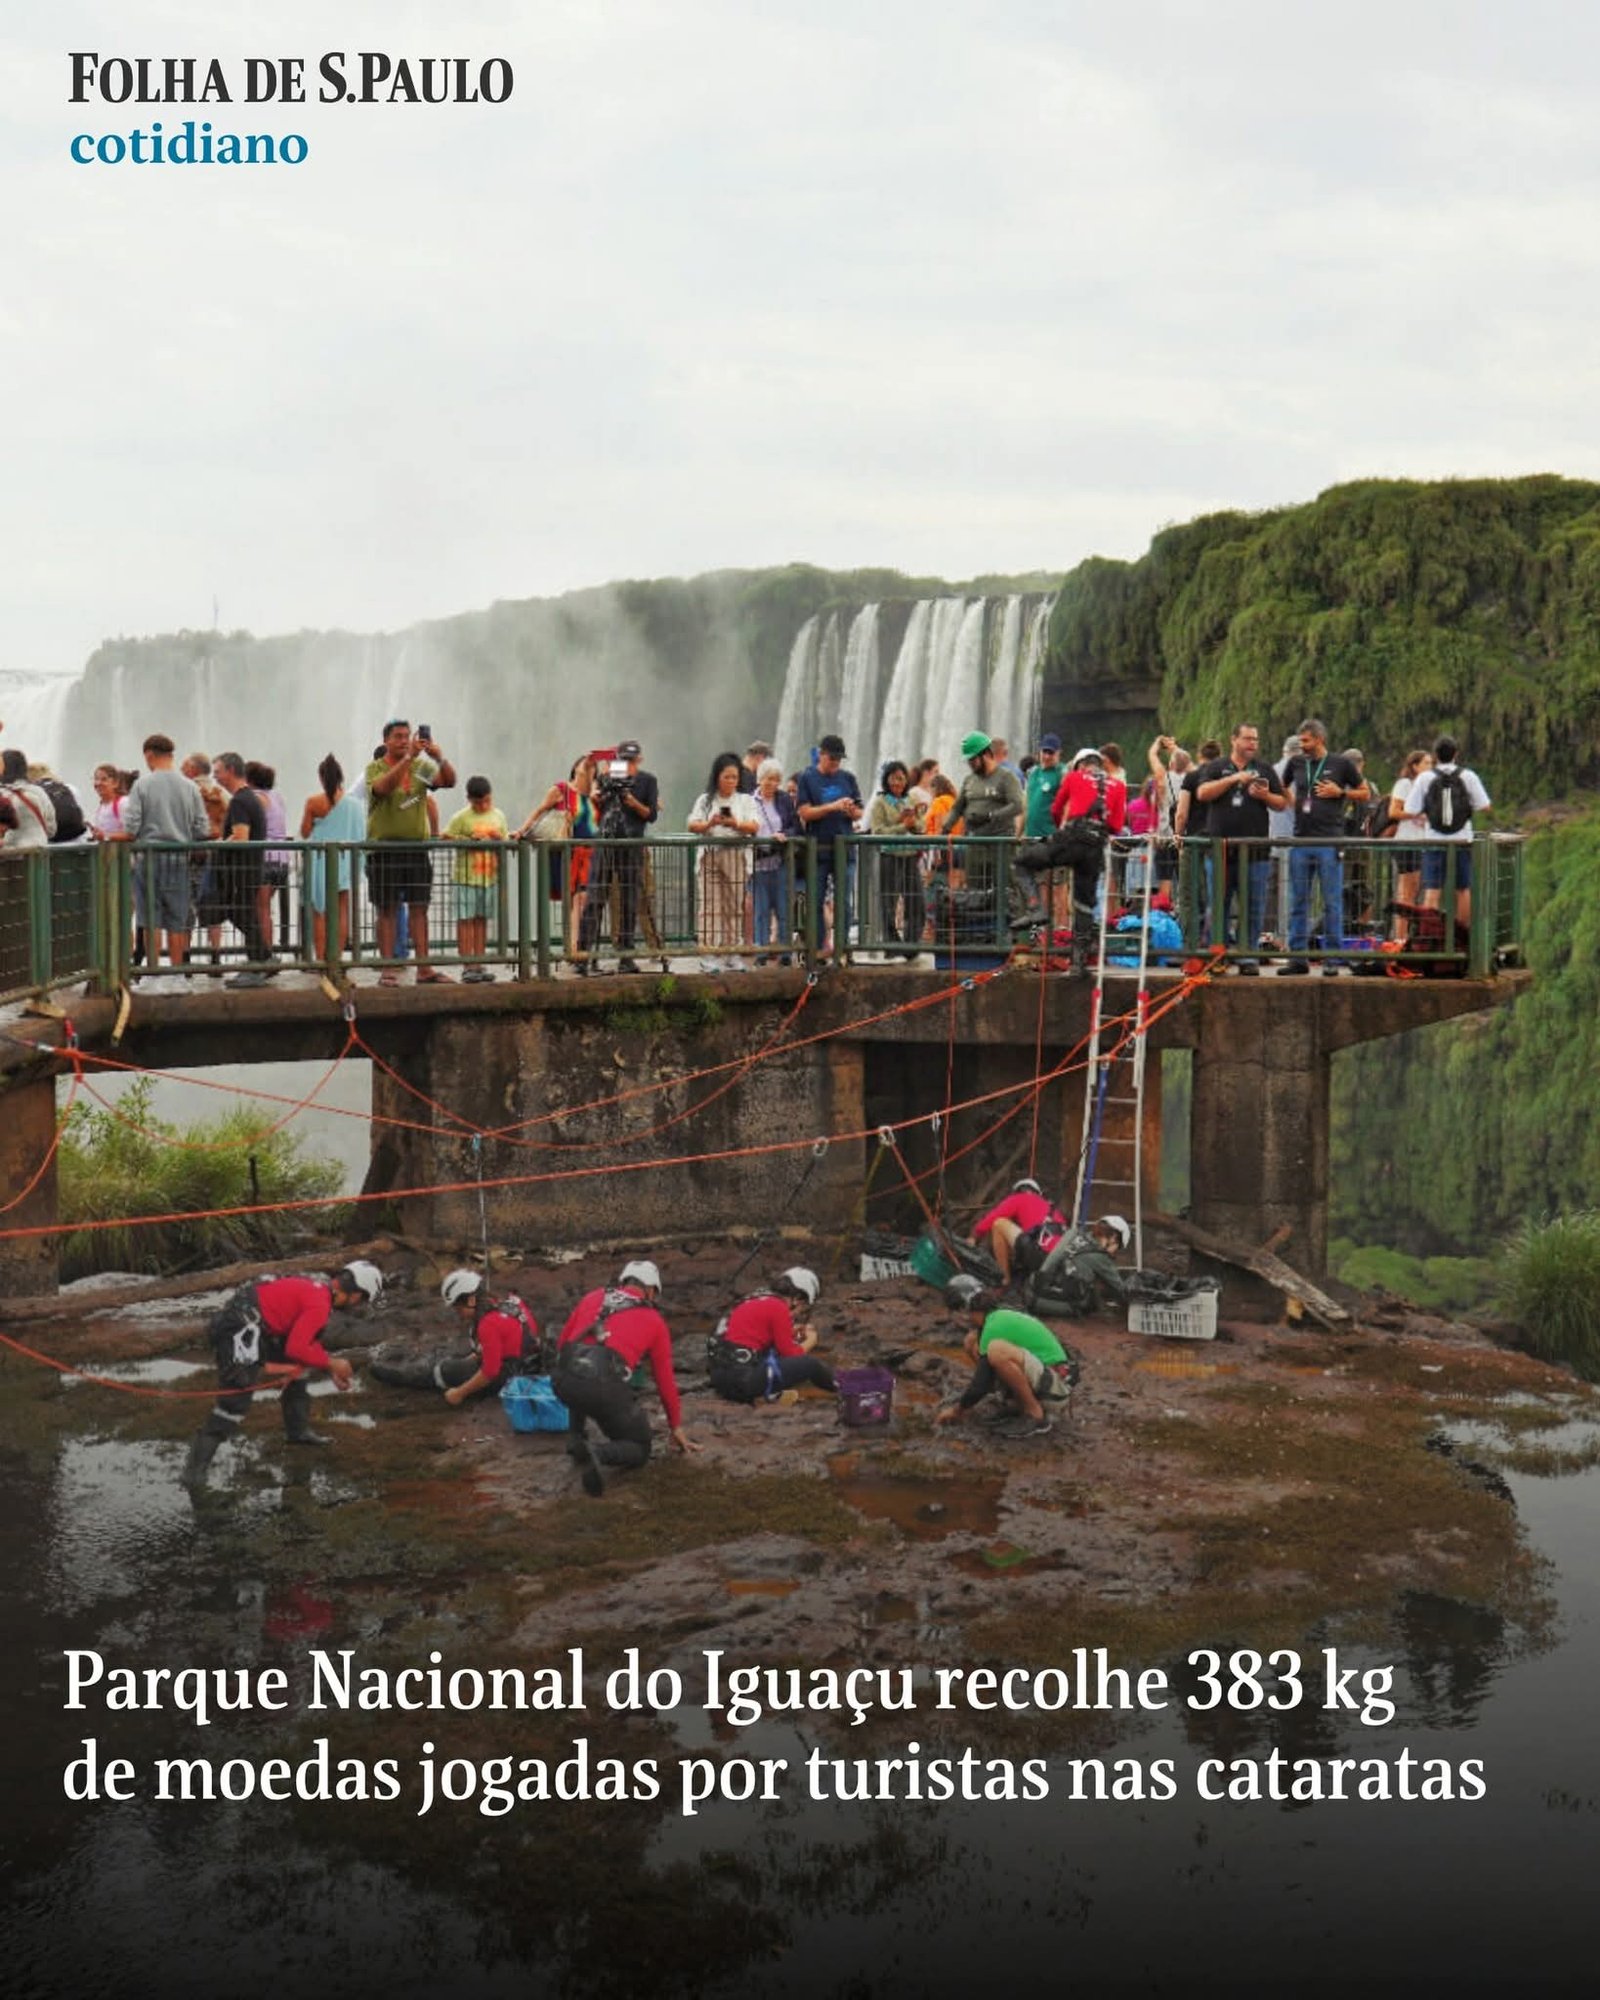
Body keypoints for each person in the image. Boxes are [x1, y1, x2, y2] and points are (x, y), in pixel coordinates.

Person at [180, 1261, 384, 1487]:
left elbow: (306, 1342)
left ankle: (298, 1432)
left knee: (299, 1369)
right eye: (361, 1300)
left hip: (259, 1322)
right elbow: (296, 1347)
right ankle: (193, 1474)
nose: (357, 1305)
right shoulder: (319, 1304)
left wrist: (328, 1367)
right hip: (240, 1327)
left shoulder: (317, 1290)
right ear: (355, 1293)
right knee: (234, 1403)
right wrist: (331, 1363)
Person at [552, 1259, 699, 1495]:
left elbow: (562, 1345)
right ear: (651, 1291)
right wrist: (675, 1426)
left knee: (581, 1366)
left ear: (623, 1282)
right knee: (640, 1447)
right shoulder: (655, 1322)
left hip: (562, 1381)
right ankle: (598, 1454)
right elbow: (665, 1381)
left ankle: (575, 1438)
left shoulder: (593, 1296)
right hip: (601, 1388)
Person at [365, 718, 458, 986]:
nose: (404, 740)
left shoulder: (420, 767)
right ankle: (387, 969)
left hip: (416, 850)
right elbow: (383, 788)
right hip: (384, 850)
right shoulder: (375, 768)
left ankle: (424, 968)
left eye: (407, 735)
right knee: (387, 909)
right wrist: (408, 758)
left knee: (420, 908)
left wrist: (440, 758)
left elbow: (449, 781)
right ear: (386, 741)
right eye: (397, 736)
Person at [1192, 724, 1286, 974]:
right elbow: (1202, 793)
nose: (1252, 744)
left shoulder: (1265, 769)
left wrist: (1265, 795)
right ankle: (1217, 955)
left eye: (1255, 739)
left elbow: (1281, 803)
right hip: (1221, 850)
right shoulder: (1215, 767)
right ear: (1234, 740)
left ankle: (1248, 955)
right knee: (1219, 904)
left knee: (1253, 904)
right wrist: (1234, 779)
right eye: (1247, 739)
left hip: (1255, 852)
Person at [935, 1277, 1077, 1439]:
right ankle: (1016, 1403)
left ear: (964, 1308)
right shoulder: (995, 1316)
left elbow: (981, 1384)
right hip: (1048, 1380)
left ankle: (1035, 1415)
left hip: (1056, 1390)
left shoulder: (994, 1326)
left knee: (997, 1350)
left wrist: (957, 1411)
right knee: (971, 1341)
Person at [1279, 718, 1368, 975]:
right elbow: (1282, 786)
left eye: (1306, 741)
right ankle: (1297, 958)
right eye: (1300, 741)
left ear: (1319, 739)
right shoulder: (1296, 763)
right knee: (1298, 901)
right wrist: (1294, 802)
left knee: (1332, 901)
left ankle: (1332, 958)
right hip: (1301, 840)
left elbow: (1364, 792)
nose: (1302, 745)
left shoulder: (1341, 764)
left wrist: (1340, 793)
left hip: (1329, 841)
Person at [120, 733, 209, 972]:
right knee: (177, 920)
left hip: (148, 859)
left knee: (150, 920)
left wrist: (107, 837)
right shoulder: (191, 787)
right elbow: (202, 828)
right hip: (180, 859)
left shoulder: (142, 785)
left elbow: (130, 829)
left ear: (149, 754)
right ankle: (177, 973)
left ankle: (153, 972)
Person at [1039, 746, 1128, 969]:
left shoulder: (1073, 778)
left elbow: (1056, 809)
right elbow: (1116, 825)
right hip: (1095, 846)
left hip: (1071, 840)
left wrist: (1064, 828)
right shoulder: (1118, 785)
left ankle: (1063, 945)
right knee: (1085, 899)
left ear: (1080, 765)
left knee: (1064, 890)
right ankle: (1082, 954)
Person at [577, 739, 659, 973]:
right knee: (594, 899)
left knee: (629, 900)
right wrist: (598, 792)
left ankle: (626, 954)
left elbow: (651, 814)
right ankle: (583, 955)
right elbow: (594, 802)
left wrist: (631, 801)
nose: (628, 765)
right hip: (605, 843)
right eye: (624, 760)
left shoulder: (647, 781)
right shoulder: (606, 777)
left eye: (632, 761)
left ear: (639, 761)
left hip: (631, 845)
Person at [1403, 735, 1491, 940]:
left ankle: (1429, 937)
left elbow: (1410, 809)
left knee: (1432, 890)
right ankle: (1463, 937)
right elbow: (1485, 806)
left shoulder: (1425, 778)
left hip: (1434, 840)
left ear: (1435, 756)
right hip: (1462, 840)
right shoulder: (1468, 776)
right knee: (1463, 889)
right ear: (1456, 755)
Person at [706, 1268, 836, 1404]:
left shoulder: (754, 1298)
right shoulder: (778, 1307)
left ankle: (773, 1395)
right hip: (744, 1381)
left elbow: (751, 1336)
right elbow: (790, 1354)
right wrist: (811, 1341)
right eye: (802, 1307)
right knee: (810, 1364)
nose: (799, 1313)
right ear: (797, 1299)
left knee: (773, 1355)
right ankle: (845, 1387)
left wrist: (789, 1331)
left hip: (720, 1379)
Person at [516, 754, 597, 950]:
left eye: (591, 767)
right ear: (575, 768)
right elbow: (540, 810)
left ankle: (578, 945)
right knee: (574, 899)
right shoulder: (561, 790)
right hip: (566, 852)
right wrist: (522, 830)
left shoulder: (593, 795)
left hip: (589, 852)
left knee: (583, 898)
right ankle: (572, 947)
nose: (587, 768)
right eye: (584, 765)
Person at [687, 752, 759, 969]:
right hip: (710, 854)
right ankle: (708, 952)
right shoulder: (706, 800)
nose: (731, 781)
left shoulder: (745, 800)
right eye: (727, 776)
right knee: (710, 905)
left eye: (734, 777)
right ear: (717, 777)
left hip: (735, 855)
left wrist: (736, 823)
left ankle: (731, 951)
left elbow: (755, 826)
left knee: (733, 905)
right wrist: (710, 823)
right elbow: (692, 824)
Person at [794, 733, 863, 953]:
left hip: (844, 850)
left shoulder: (848, 779)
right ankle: (819, 948)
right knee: (816, 900)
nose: (835, 763)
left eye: (839, 759)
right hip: (819, 850)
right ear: (821, 755)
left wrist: (851, 811)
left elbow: (860, 812)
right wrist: (831, 807)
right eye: (832, 758)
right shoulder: (807, 778)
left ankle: (842, 948)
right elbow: (804, 812)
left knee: (844, 902)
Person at [212, 752, 276, 988]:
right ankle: (262, 960)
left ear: (230, 771)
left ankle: (261, 962)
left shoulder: (239, 801)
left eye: (217, 772)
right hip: (252, 866)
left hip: (242, 869)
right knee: (243, 914)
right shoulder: (250, 798)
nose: (215, 778)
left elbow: (241, 837)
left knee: (241, 913)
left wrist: (217, 845)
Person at [444, 774, 509, 981]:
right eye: (479, 802)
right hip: (465, 878)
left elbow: (506, 840)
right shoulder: (461, 817)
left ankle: (479, 963)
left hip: (488, 878)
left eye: (487, 801)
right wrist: (469, 839)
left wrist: (499, 839)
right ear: (469, 799)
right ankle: (467, 965)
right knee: (465, 921)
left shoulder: (498, 816)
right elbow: (446, 836)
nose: (483, 806)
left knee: (481, 920)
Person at [301, 754, 365, 962]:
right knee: (342, 911)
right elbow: (360, 834)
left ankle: (320, 959)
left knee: (319, 911)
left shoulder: (314, 802)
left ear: (321, 778)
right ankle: (336, 959)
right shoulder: (354, 805)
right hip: (345, 861)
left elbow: (304, 832)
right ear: (340, 777)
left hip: (320, 862)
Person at [868, 760, 926, 951]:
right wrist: (903, 826)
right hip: (889, 857)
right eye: (893, 778)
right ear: (886, 780)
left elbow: (920, 827)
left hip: (909, 855)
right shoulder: (880, 802)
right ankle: (891, 945)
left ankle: (911, 944)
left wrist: (913, 823)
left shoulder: (910, 800)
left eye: (901, 778)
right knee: (888, 903)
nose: (897, 783)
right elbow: (877, 831)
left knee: (916, 901)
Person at [1025, 1214, 1132, 1315]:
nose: (1115, 1251)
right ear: (1113, 1237)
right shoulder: (1101, 1258)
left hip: (1039, 1289)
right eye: (1118, 1247)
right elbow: (1121, 1289)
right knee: (1091, 1300)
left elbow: (1050, 1262)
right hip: (1069, 1300)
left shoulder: (1073, 1233)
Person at [972, 1177, 1068, 1288]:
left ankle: (1004, 1279)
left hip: (1038, 1253)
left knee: (999, 1224)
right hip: (1059, 1260)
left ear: (1017, 1191)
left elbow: (994, 1217)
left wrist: (974, 1235)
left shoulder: (1019, 1198)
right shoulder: (1051, 1208)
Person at [750, 757, 800, 962]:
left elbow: (795, 826)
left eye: (776, 780)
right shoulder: (749, 802)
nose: (771, 783)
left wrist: (783, 834)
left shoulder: (784, 800)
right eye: (768, 779)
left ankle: (785, 952)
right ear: (759, 779)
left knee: (783, 908)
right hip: (758, 861)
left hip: (780, 860)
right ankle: (761, 952)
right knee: (761, 910)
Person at [0, 747, 56, 850]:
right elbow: (51, 829)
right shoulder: (39, 792)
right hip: (40, 854)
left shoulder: (3, 795)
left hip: (11, 855)